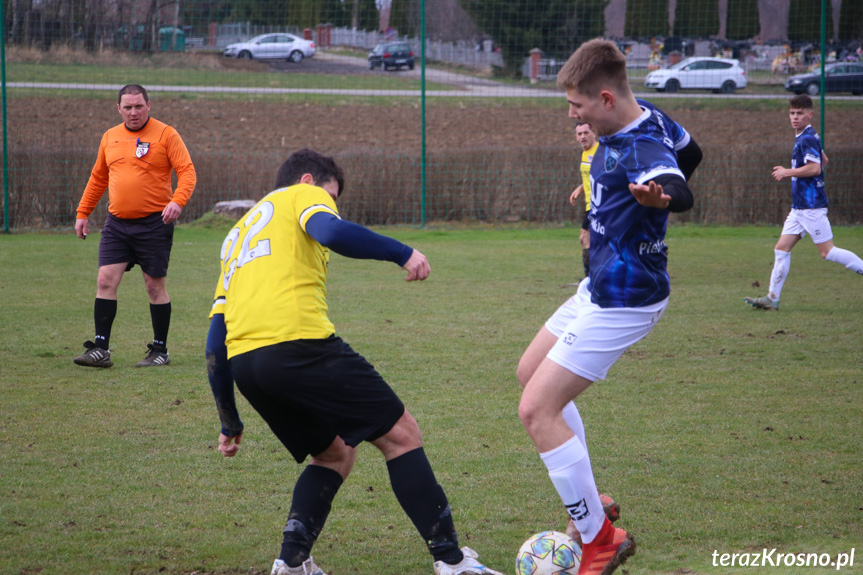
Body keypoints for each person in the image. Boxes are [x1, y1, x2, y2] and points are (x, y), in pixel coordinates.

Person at [210, 149, 503, 575]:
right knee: (401, 435)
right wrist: (401, 252)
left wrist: (228, 420)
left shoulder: (237, 235)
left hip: (247, 365)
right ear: (309, 181)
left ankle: (291, 563)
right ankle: (452, 561)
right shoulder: (301, 196)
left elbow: (215, 338)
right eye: (332, 196)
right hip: (300, 346)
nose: (333, 203)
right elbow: (330, 231)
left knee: (333, 453)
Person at [517, 40, 701, 575]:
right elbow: (692, 153)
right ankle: (594, 507)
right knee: (529, 373)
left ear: (602, 98)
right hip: (598, 286)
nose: (571, 115)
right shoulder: (653, 118)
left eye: (576, 106)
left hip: (627, 298)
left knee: (536, 409)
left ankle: (600, 538)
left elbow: (678, 182)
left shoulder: (641, 142)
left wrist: (663, 198)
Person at [73, 84, 196, 368]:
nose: (133, 112)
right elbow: (97, 178)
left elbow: (187, 172)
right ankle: (100, 349)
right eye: (127, 107)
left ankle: (160, 351)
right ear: (118, 109)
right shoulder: (110, 137)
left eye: (138, 106)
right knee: (105, 280)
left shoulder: (166, 134)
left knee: (154, 286)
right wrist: (83, 212)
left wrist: (177, 201)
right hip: (117, 224)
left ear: (148, 106)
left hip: (155, 223)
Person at [744, 94, 863, 311]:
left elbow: (816, 167)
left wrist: (787, 172)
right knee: (781, 249)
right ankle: (772, 298)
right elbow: (823, 160)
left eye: (800, 113)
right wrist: (810, 181)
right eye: (792, 113)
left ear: (810, 115)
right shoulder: (804, 136)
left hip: (811, 206)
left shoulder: (807, 138)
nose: (795, 117)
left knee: (827, 252)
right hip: (799, 208)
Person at [569, 122, 598, 279]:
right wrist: (580, 188)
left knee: (585, 237)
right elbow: (591, 176)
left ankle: (590, 279)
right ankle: (593, 277)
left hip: (599, 205)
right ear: (576, 137)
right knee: (594, 240)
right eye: (579, 134)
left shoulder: (600, 152)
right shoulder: (584, 154)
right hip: (590, 204)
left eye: (586, 133)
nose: (583, 137)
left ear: (594, 133)